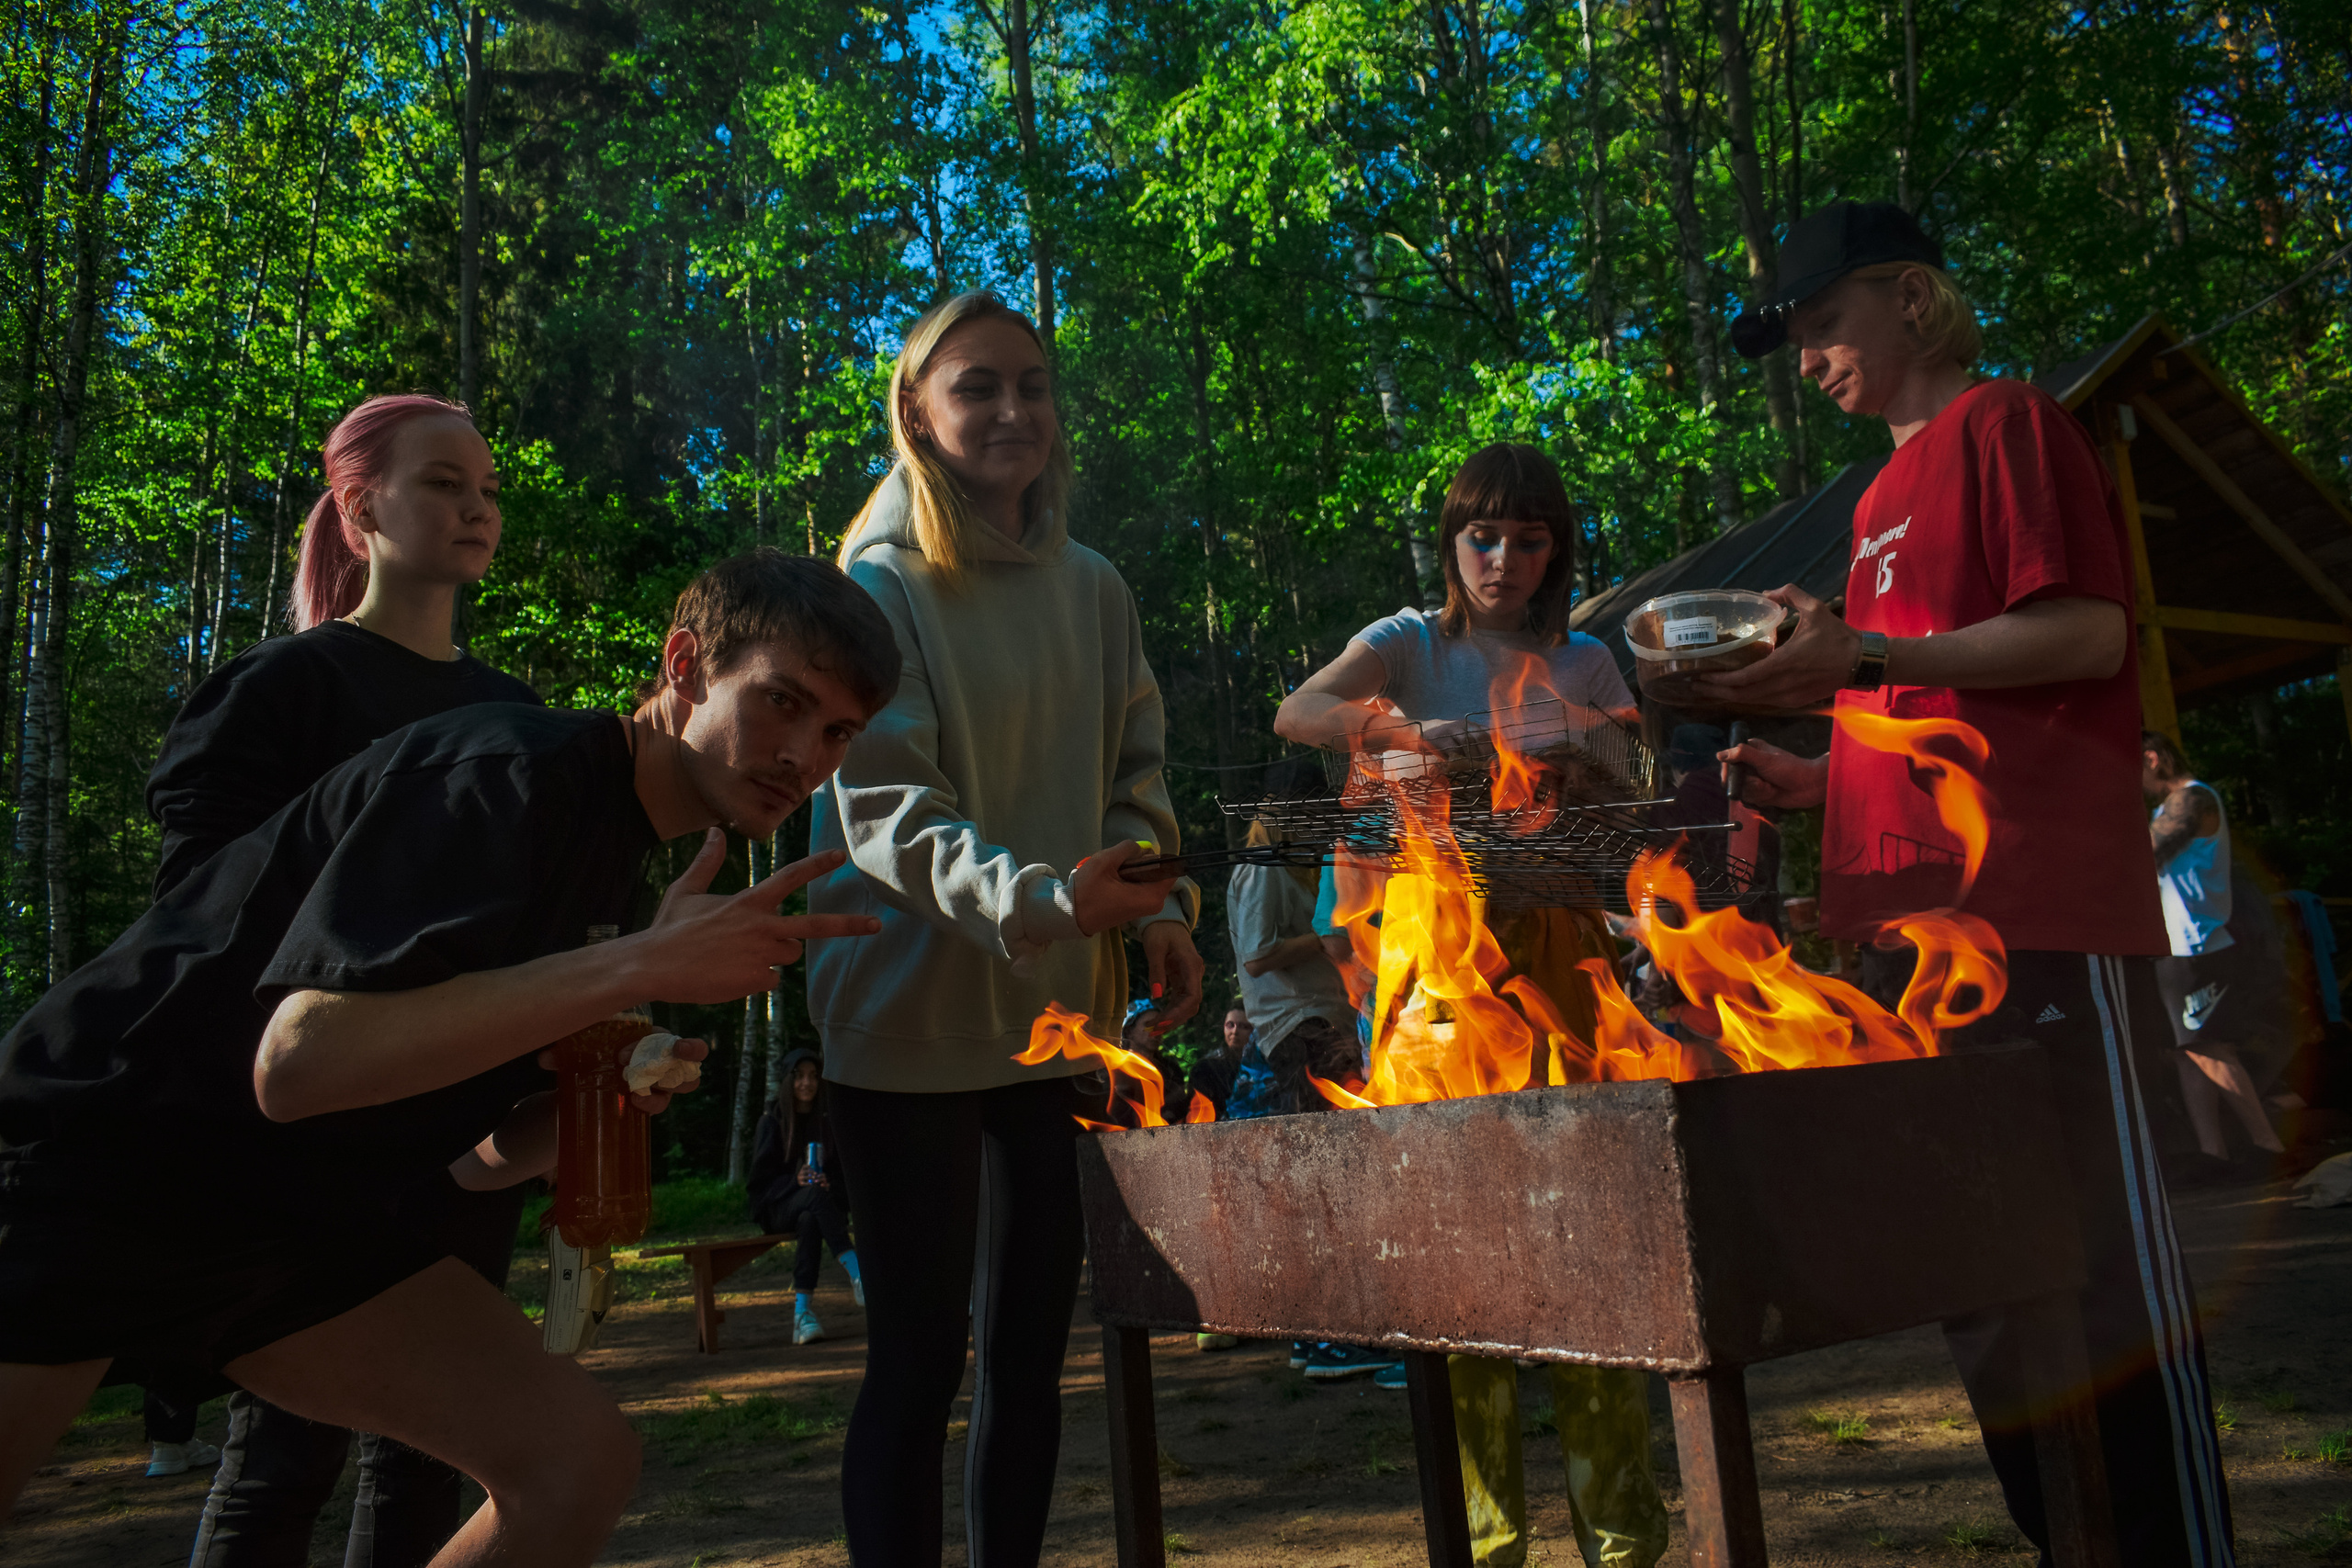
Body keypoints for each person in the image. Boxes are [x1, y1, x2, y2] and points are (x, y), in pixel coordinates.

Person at [0, 549, 898, 1568]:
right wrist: (629, 964)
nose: (804, 755)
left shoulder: (624, 856)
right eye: (781, 701)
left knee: (576, 1463)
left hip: (288, 1221)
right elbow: (297, 1066)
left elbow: (478, 1157)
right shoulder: (508, 771)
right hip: (98, 1165)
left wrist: (600, 1103)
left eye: (837, 732)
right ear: (685, 664)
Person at [1715, 199, 2233, 1567]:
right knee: (1991, 1304)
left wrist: (1869, 661)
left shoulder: (2005, 424)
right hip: (1912, 959)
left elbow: (2084, 629)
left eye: (1826, 324)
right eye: (1799, 341)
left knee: (2100, 1295)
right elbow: (1929, 703)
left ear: (1916, 302)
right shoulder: (1873, 501)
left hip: (2043, 927)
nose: (1811, 358)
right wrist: (1811, 775)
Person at [806, 288, 1204, 1568]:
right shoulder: (876, 583)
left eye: (1031, 385)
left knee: (1033, 1360)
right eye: (976, 386)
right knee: (918, 1360)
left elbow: (1134, 772)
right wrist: (1044, 901)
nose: (1013, 410)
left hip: (1057, 1024)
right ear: (915, 410)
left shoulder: (1094, 585)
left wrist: (1164, 912)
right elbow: (886, 809)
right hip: (905, 1014)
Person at [149, 393, 546, 1568]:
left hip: (463, 1144)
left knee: (426, 1460)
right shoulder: (282, 691)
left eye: (486, 489)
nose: (475, 506)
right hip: (308, 1142)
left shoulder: (516, 718)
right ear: (361, 505)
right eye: (442, 484)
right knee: (282, 1461)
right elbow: (199, 921)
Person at [1274, 443, 1667, 1568]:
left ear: (1557, 550)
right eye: (1482, 537)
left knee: (1591, 1243)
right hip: (1425, 973)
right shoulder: (1408, 641)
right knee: (1462, 1254)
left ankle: (1626, 1539)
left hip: (1561, 962)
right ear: (1451, 543)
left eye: (1528, 539)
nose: (1503, 560)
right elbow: (1298, 712)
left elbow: (1634, 799)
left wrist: (1576, 745)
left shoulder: (1586, 657)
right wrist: (1396, 734)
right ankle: (1487, 1544)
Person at [2142, 731, 2282, 1172]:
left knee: (2209, 1046)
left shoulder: (2194, 799)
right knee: (2190, 1050)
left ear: (2152, 759)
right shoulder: (2168, 806)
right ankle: (2211, 1153)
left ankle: (2269, 1147)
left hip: (2197, 944)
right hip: (2174, 945)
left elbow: (2146, 850)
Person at [747, 1048, 864, 1346]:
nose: (806, 1083)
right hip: (777, 1209)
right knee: (810, 1198)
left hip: (813, 1208)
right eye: (799, 1076)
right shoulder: (771, 1122)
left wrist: (828, 1184)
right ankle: (858, 1271)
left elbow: (844, 1184)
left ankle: (803, 1315)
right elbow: (758, 1188)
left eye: (813, 1076)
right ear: (788, 1081)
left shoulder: (826, 1123)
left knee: (811, 1216)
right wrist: (794, 1182)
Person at [1186, 1006, 1253, 1115]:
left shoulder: (1262, 1065)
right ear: (1223, 1028)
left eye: (1243, 1026)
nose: (1235, 1031)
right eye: (1230, 1025)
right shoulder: (1205, 1068)